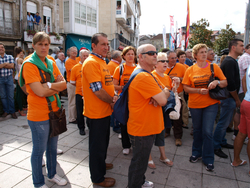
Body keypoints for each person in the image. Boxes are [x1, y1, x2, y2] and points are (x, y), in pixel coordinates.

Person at [19, 32, 67, 188]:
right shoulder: (29, 64)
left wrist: (50, 86)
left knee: (52, 148)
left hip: (54, 111)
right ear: (33, 46)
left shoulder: (51, 62)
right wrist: (55, 87)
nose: (44, 47)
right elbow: (39, 92)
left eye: (46, 44)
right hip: (38, 114)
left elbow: (64, 84)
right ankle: (38, 183)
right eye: (40, 44)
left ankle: (52, 175)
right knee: (39, 151)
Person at [127, 44, 170, 188]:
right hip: (142, 128)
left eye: (155, 52)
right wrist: (161, 94)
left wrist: (160, 93)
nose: (155, 55)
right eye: (151, 53)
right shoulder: (143, 76)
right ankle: (134, 185)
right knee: (139, 162)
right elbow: (164, 99)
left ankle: (140, 181)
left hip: (144, 126)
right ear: (141, 57)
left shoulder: (146, 73)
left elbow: (164, 91)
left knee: (142, 159)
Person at [182, 43, 227, 172]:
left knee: (207, 131)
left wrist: (217, 81)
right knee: (197, 130)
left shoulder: (214, 67)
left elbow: (225, 82)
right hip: (195, 104)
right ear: (195, 55)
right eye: (201, 52)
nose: (204, 54)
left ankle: (208, 158)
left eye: (205, 51)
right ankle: (196, 152)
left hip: (211, 104)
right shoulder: (190, 70)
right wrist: (197, 91)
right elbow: (185, 88)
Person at [81, 33, 117, 187]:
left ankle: (101, 163)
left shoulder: (102, 61)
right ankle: (97, 178)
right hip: (96, 114)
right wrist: (113, 101)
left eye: (107, 44)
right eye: (102, 44)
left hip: (104, 111)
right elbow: (97, 90)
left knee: (103, 143)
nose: (106, 47)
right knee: (97, 147)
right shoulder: (91, 62)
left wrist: (113, 95)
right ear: (93, 46)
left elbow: (107, 84)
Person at [213, 39, 244, 159]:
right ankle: (216, 146)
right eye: (241, 45)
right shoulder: (230, 62)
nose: (243, 48)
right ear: (233, 47)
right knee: (223, 122)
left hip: (228, 97)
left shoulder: (231, 61)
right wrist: (236, 99)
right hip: (228, 97)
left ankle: (222, 141)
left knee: (225, 122)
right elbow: (230, 84)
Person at [148, 52, 177, 169]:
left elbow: (171, 93)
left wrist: (175, 86)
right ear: (156, 64)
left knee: (161, 131)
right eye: (163, 61)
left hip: (163, 110)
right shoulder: (152, 75)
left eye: (166, 61)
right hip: (152, 110)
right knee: (150, 134)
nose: (166, 63)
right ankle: (148, 157)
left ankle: (162, 156)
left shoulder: (167, 77)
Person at [113, 46, 137, 155]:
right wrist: (125, 87)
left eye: (132, 54)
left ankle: (136, 144)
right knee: (124, 123)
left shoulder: (138, 68)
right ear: (124, 56)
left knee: (135, 123)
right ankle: (126, 145)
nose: (131, 56)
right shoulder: (120, 69)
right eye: (128, 54)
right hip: (123, 99)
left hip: (136, 100)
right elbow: (114, 86)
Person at [165, 51, 187, 146]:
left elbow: (187, 79)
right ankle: (167, 131)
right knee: (166, 114)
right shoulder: (162, 67)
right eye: (172, 58)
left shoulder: (182, 67)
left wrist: (179, 78)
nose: (174, 60)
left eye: (175, 58)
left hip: (178, 94)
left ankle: (178, 137)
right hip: (166, 94)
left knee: (177, 116)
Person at [231, 67, 250, 169]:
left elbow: (244, 79)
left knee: (242, 133)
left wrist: (247, 94)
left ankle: (236, 160)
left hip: (246, 101)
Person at [232, 44, 250, 141]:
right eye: (241, 45)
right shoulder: (247, 58)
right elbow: (245, 79)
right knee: (241, 113)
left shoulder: (243, 57)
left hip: (244, 91)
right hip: (244, 92)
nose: (242, 47)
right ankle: (238, 132)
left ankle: (237, 133)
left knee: (240, 112)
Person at [70, 49, 89, 135]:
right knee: (80, 112)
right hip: (79, 93)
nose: (85, 57)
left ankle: (90, 127)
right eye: (84, 56)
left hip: (90, 94)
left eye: (87, 56)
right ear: (80, 57)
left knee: (89, 112)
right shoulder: (75, 68)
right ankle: (81, 128)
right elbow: (72, 82)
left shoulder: (91, 66)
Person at [107, 50, 123, 134]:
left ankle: (113, 124)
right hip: (115, 90)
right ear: (117, 57)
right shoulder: (114, 66)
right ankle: (115, 125)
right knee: (115, 108)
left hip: (114, 89)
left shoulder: (112, 64)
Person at [0, 42, 17, 119]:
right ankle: (6, 111)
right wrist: (5, 64)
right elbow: (8, 66)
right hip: (1, 78)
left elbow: (12, 66)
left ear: (4, 48)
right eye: (0, 48)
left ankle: (12, 111)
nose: (1, 49)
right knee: (3, 96)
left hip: (9, 77)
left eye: (2, 47)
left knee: (11, 96)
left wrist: (2, 65)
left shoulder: (10, 56)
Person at [65, 46, 78, 124]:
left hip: (77, 83)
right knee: (72, 101)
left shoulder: (77, 60)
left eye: (76, 51)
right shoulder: (68, 61)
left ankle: (75, 116)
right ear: (69, 52)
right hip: (71, 83)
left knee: (75, 101)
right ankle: (72, 118)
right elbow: (73, 71)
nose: (74, 52)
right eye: (73, 51)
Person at [14, 47, 26, 116]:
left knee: (19, 94)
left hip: (17, 77)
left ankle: (21, 107)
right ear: (20, 52)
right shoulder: (20, 60)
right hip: (20, 78)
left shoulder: (16, 59)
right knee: (20, 94)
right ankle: (20, 109)